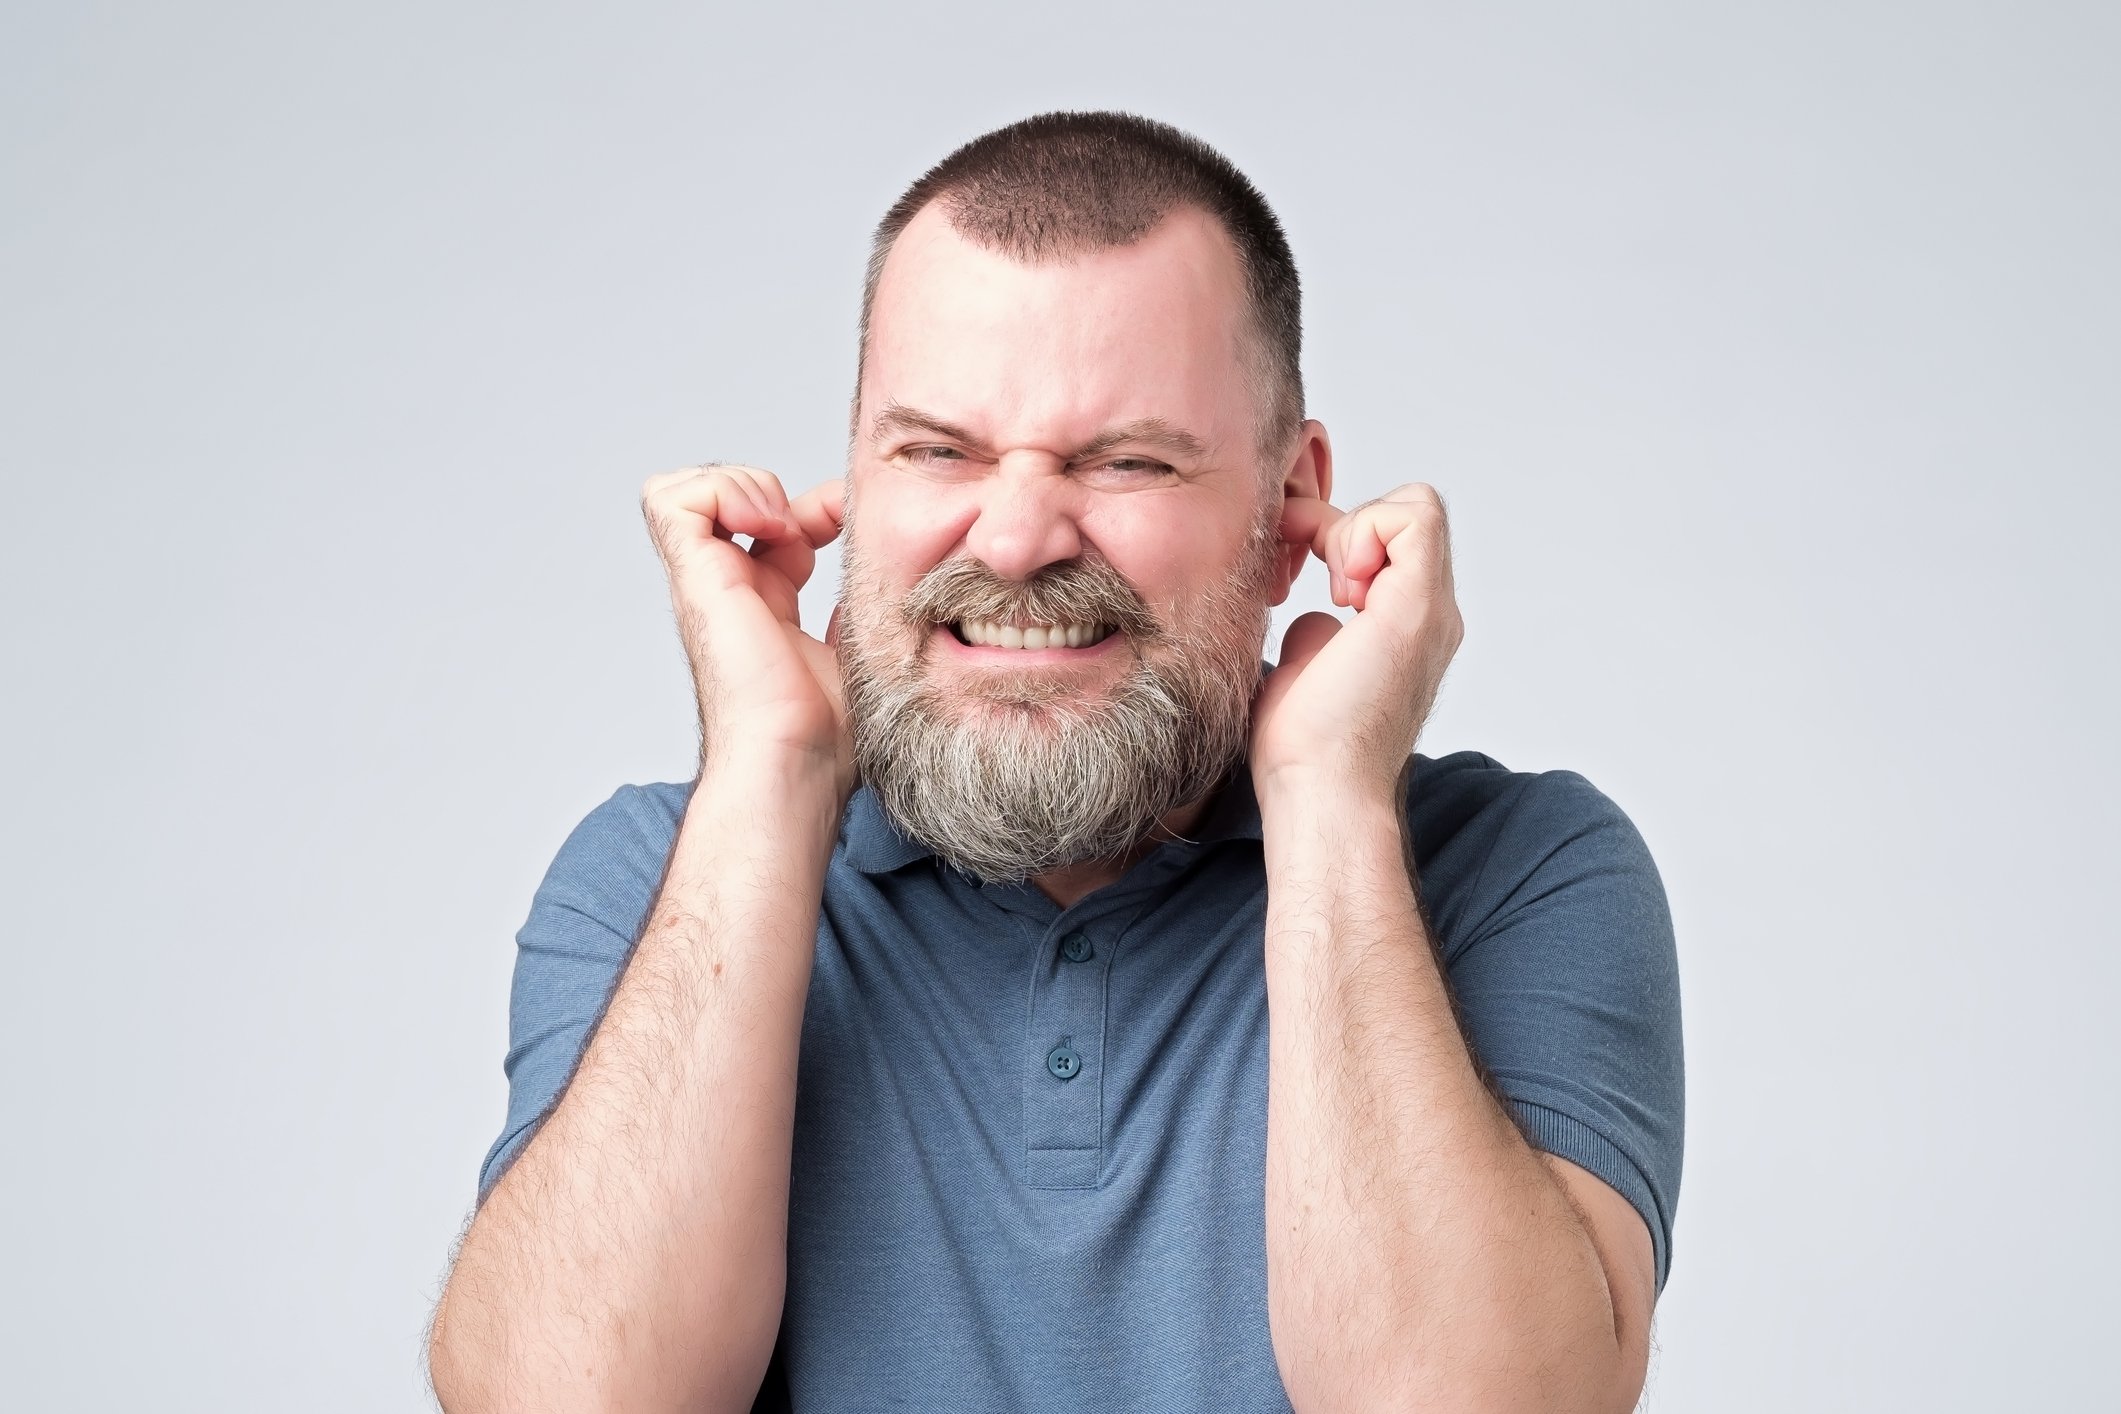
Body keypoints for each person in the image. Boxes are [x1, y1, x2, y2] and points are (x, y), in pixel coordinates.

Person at [427, 110, 1684, 1414]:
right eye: (936, 450)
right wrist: (772, 770)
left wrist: (1322, 798)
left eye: (1127, 458)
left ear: (1285, 507)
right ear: (852, 479)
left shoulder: (1517, 871)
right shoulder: (654, 879)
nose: (1018, 535)